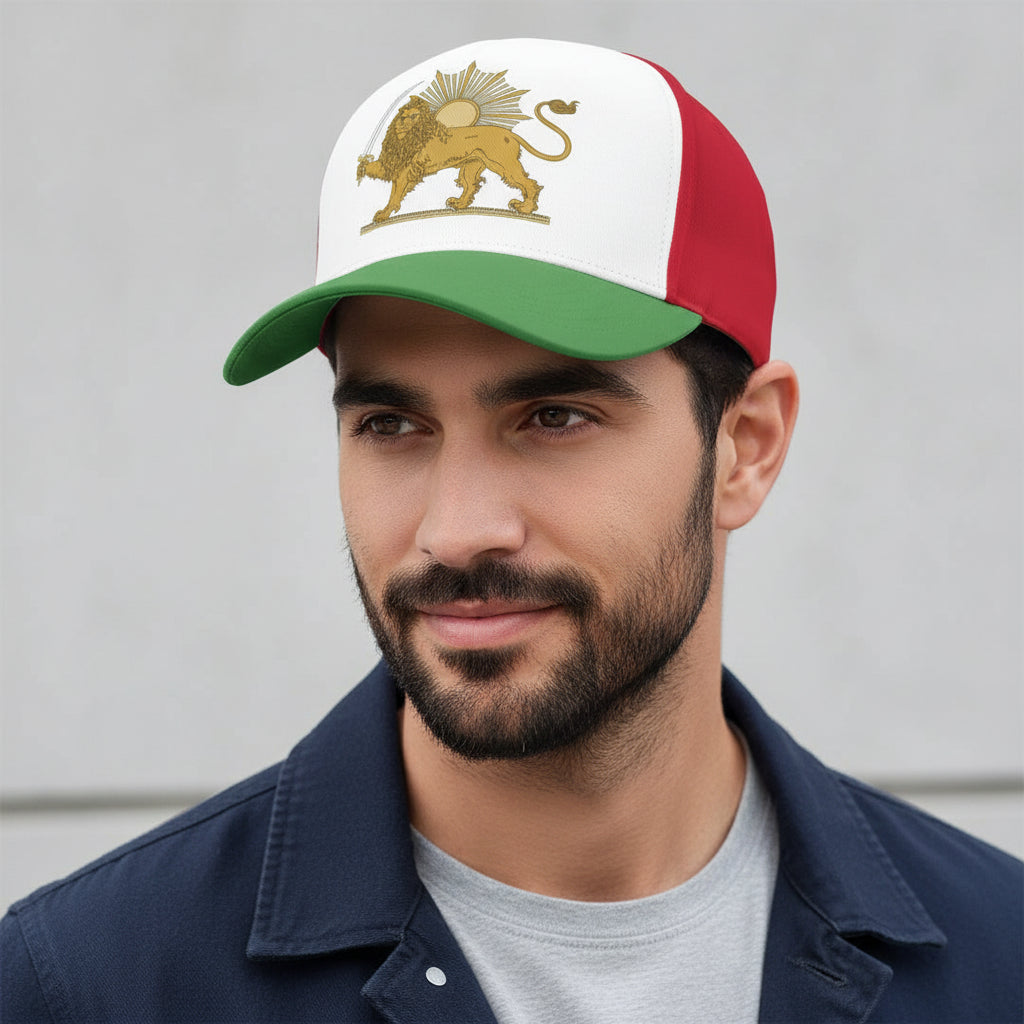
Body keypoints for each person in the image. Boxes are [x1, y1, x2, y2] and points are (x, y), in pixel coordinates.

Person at [2, 37, 1020, 1024]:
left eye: (554, 417)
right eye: (391, 425)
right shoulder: (90, 986)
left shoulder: (1000, 960)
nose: (456, 531)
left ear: (744, 445)